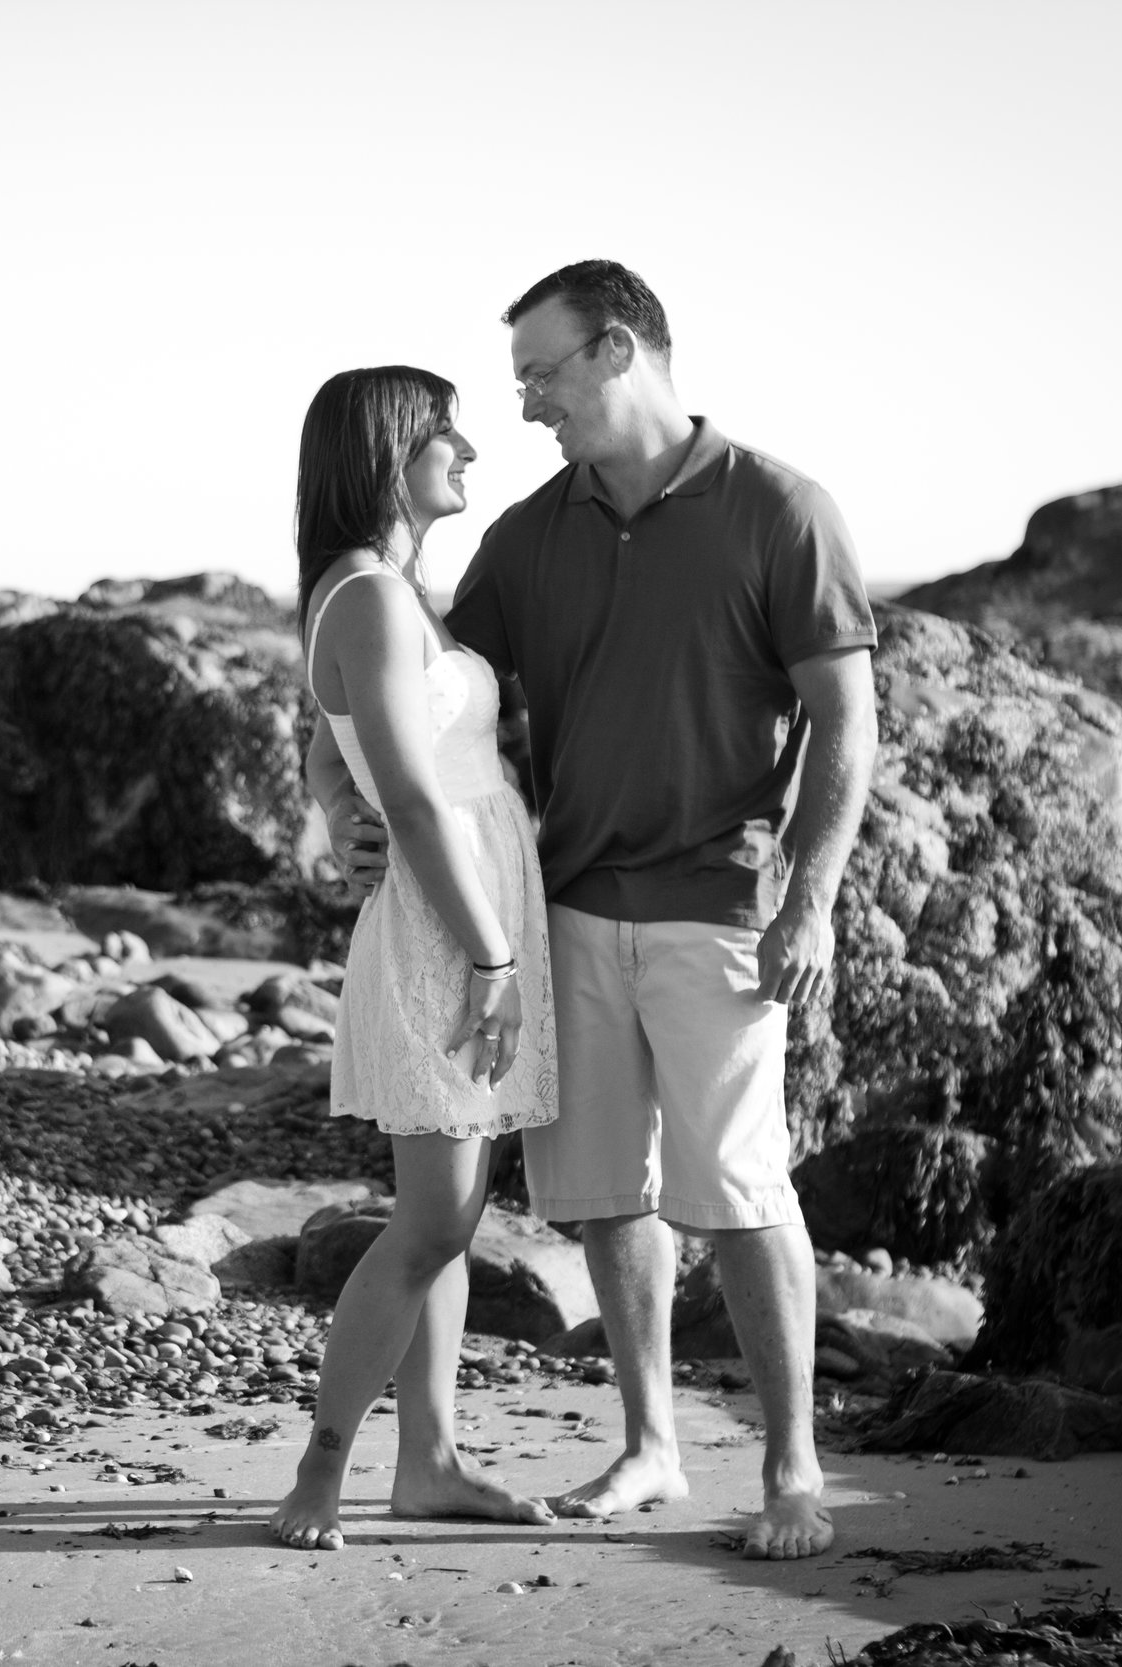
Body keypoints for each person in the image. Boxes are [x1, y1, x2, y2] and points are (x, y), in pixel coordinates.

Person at [317, 263, 878, 1561]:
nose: (525, 409)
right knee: (609, 1197)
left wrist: (817, 897)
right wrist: (336, 803)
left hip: (722, 906)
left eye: (542, 375)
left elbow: (847, 722)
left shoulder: (779, 510)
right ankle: (651, 1443)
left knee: (738, 1187)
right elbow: (416, 679)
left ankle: (794, 1470)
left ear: (617, 350)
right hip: (567, 904)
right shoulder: (533, 532)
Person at [267, 366, 562, 1552]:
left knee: (451, 1209)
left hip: (475, 907)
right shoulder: (374, 600)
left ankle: (428, 1458)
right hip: (451, 924)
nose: (469, 451)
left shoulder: (388, 592)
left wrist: (326, 802)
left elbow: (347, 754)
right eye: (445, 430)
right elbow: (418, 798)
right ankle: (319, 1470)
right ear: (387, 449)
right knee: (433, 1217)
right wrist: (491, 955)